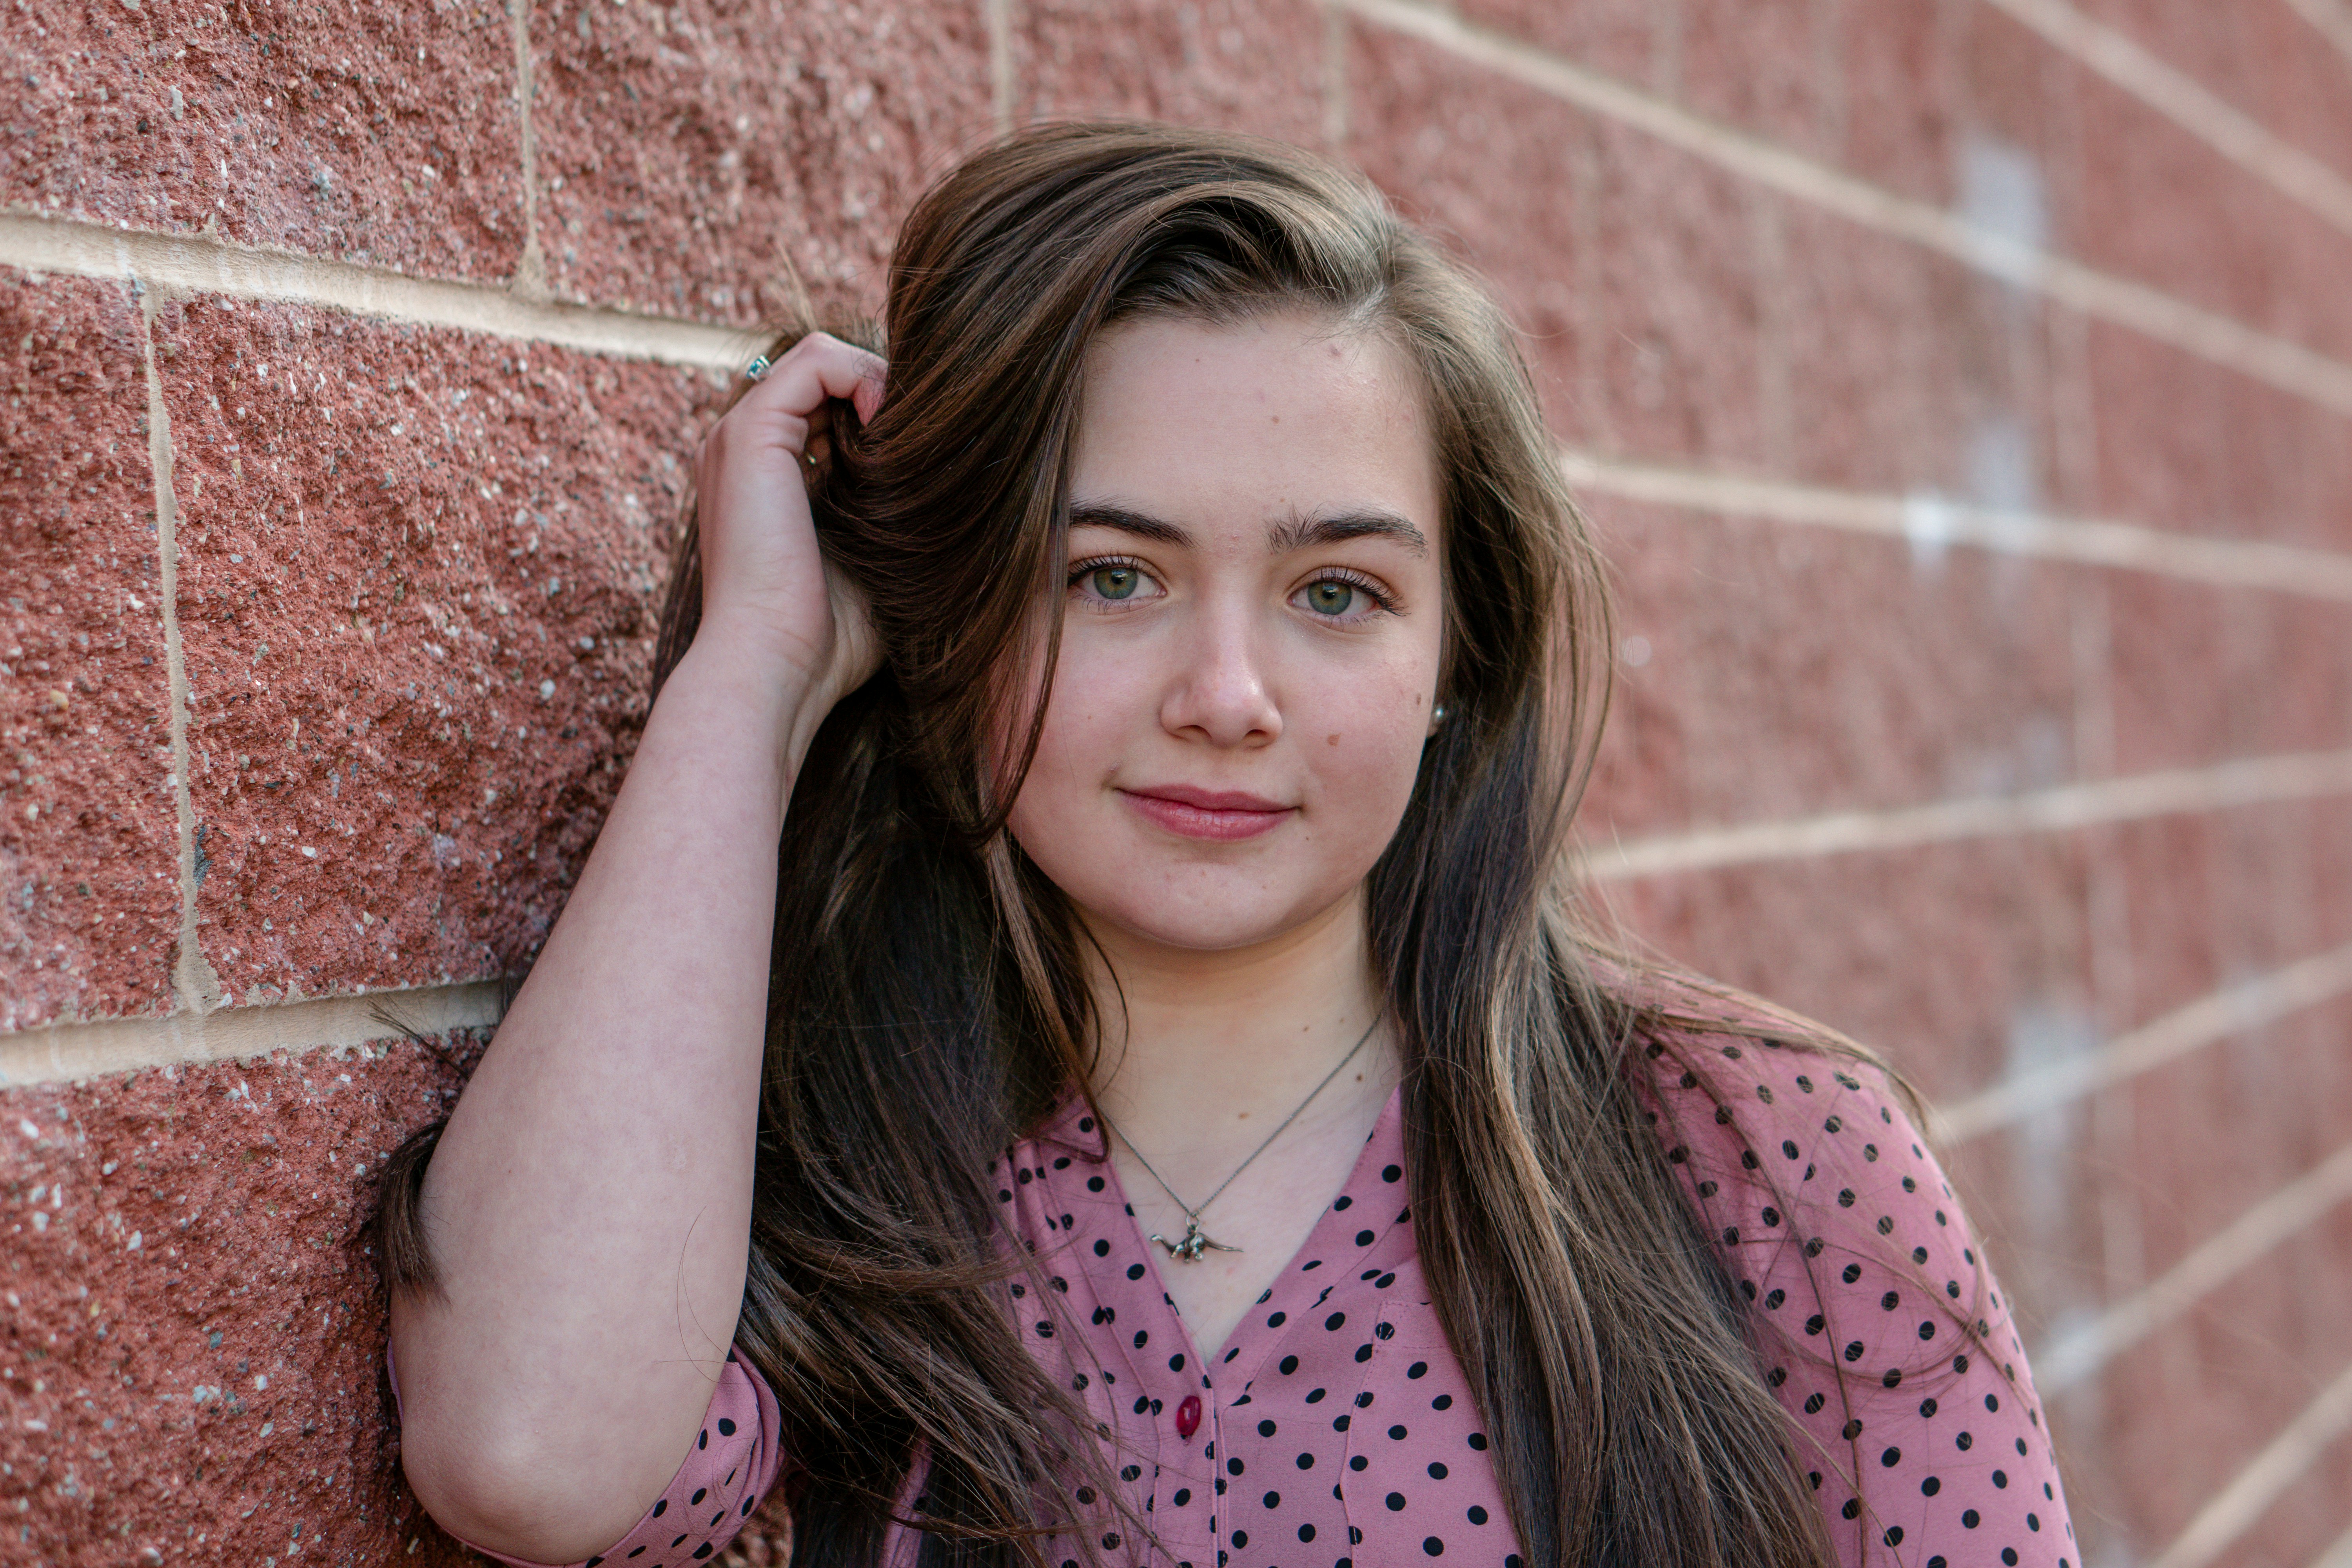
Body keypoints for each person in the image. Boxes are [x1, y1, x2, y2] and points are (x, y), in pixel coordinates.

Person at [379, 123, 2075, 1568]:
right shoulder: (821, 1168)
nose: (1226, 694)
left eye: (1337, 593)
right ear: (954, 617)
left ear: (1450, 664)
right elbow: (526, 1452)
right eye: (1110, 574)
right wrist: (755, 677)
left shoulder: (1764, 1166)